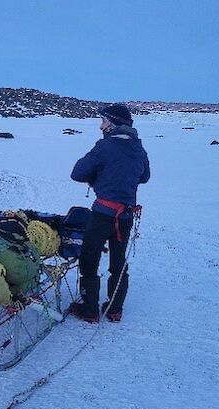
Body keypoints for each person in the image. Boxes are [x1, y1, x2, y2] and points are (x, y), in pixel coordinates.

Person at [69, 104, 150, 323]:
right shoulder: (139, 148)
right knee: (118, 261)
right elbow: (144, 177)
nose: (100, 126)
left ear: (112, 125)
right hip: (125, 217)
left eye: (103, 121)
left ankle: (89, 310)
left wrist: (99, 175)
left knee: (89, 259)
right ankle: (114, 310)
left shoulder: (105, 147)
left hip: (103, 214)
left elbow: (77, 173)